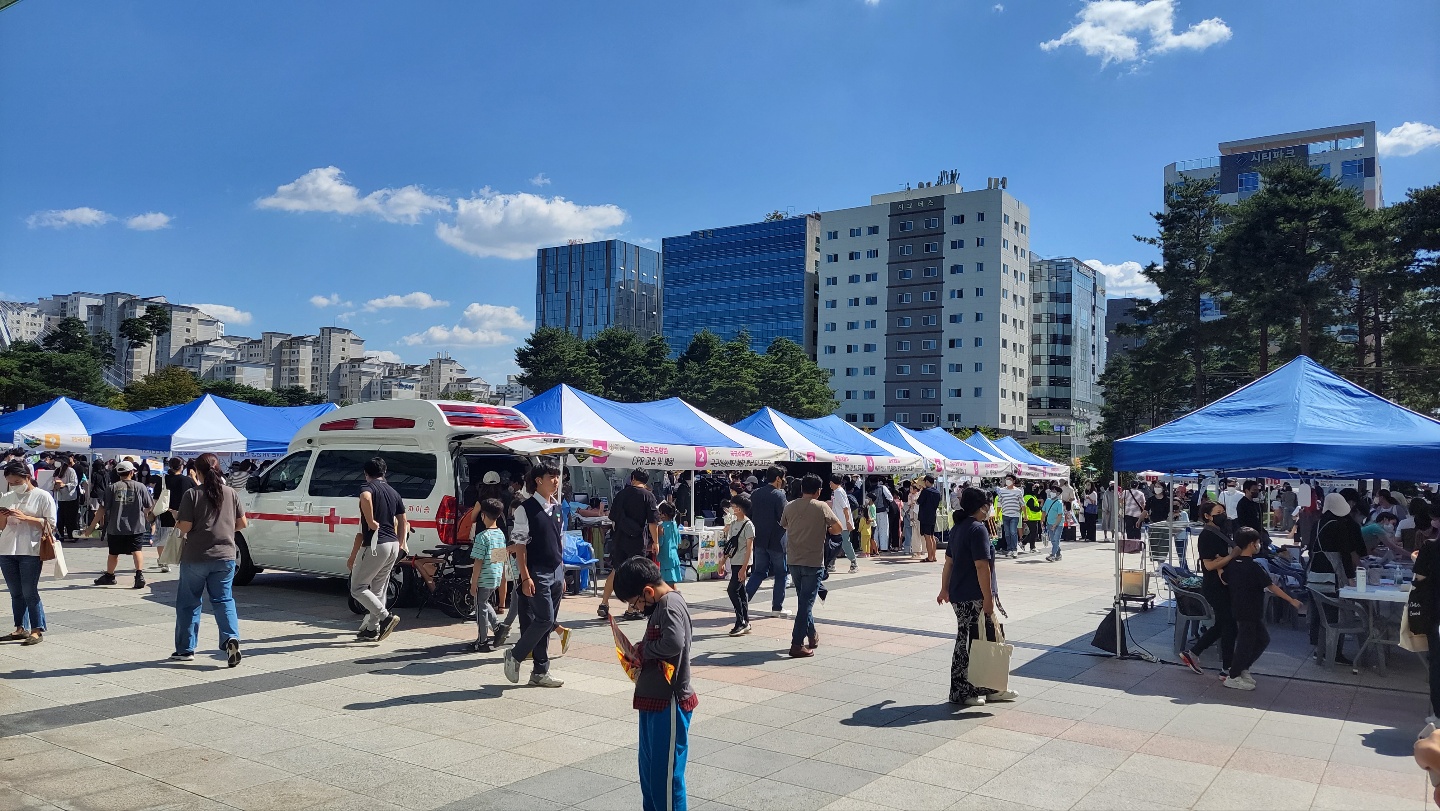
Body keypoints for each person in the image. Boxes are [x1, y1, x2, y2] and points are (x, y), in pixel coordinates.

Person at [613, 557, 697, 811]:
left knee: (666, 777)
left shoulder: (669, 605)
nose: (637, 608)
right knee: (650, 772)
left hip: (668, 700)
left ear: (648, 591)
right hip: (654, 699)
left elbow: (674, 643)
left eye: (636, 603)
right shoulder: (663, 603)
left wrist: (645, 649)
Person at [937, 486, 1017, 707]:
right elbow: (982, 567)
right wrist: (988, 598)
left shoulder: (958, 528)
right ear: (982, 506)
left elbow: (949, 563)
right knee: (969, 641)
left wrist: (944, 589)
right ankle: (961, 691)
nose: (990, 508)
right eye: (988, 504)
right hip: (973, 595)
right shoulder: (977, 529)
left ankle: (991, 686)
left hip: (960, 593)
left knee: (985, 638)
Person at [172, 453, 247, 666]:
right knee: (224, 600)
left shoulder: (192, 494)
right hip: (225, 556)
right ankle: (231, 637)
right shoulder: (231, 493)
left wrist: (177, 519)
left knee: (189, 602)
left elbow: (185, 527)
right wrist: (223, 530)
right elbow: (243, 523)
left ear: (197, 471)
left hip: (196, 555)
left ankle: (185, 649)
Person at [503, 461, 566, 688]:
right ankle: (516, 655)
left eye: (558, 477)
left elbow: (559, 540)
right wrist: (525, 576)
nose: (556, 481)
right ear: (539, 481)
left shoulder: (557, 508)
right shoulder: (526, 508)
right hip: (537, 571)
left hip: (556, 570)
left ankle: (540, 671)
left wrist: (562, 571)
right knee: (545, 619)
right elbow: (520, 545)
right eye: (552, 477)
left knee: (547, 622)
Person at [1221, 528, 1304, 691]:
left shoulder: (1232, 564)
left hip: (1241, 609)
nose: (1259, 545)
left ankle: (1243, 668)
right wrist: (1291, 600)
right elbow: (1271, 586)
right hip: (1250, 610)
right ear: (1252, 544)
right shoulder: (1254, 567)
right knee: (1245, 644)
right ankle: (1233, 676)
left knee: (1262, 639)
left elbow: (1224, 580)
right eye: (1258, 542)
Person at [345, 457, 408, 643]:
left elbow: (365, 497)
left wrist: (371, 521)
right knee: (378, 587)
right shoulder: (394, 492)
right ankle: (372, 629)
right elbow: (403, 520)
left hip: (375, 544)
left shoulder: (368, 488)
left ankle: (385, 617)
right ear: (384, 472)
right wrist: (402, 541)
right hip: (393, 545)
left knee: (357, 587)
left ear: (366, 474)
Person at [779, 474, 840, 658]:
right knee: (806, 603)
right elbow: (838, 528)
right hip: (813, 561)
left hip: (794, 560)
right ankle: (796, 644)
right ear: (818, 491)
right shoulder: (821, 506)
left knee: (804, 600)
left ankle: (812, 635)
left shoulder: (790, 506)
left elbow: (784, 526)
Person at [0, 459, 56, 646]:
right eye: (10, 482)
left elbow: (51, 524)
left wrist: (27, 518)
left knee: (29, 591)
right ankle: (20, 628)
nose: (14, 486)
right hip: (7, 548)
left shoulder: (42, 496)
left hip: (30, 549)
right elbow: (2, 527)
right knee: (15, 592)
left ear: (27, 477)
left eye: (17, 482)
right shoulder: (7, 496)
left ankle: (37, 630)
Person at [1179, 500, 1237, 676]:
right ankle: (1227, 668)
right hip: (1215, 586)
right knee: (1229, 625)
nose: (1223, 515)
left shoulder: (1221, 532)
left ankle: (1193, 653)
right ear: (1207, 516)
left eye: (1223, 511)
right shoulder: (1207, 536)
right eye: (1218, 512)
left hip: (1225, 584)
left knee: (1223, 624)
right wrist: (1230, 557)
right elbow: (1209, 565)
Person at [1308, 492, 1367, 664]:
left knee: (1319, 616)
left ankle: (1319, 650)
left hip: (1314, 573)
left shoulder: (1317, 524)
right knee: (1336, 614)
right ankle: (1335, 653)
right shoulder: (1339, 525)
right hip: (1332, 574)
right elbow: (1346, 554)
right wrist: (1350, 577)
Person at [600, 469, 661, 621]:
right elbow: (653, 522)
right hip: (637, 539)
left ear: (632, 478)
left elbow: (612, 517)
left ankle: (604, 603)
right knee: (635, 573)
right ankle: (632, 608)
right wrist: (656, 541)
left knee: (616, 569)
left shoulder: (621, 494)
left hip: (620, 538)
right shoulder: (649, 496)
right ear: (646, 481)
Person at [88, 460, 153, 590]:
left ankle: (110, 575)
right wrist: (151, 522)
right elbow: (149, 506)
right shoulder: (140, 487)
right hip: (136, 525)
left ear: (118, 473)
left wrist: (91, 526)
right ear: (132, 472)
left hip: (116, 526)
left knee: (113, 552)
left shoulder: (112, 488)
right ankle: (139, 575)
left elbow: (102, 508)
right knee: (137, 550)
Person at [745, 466, 791, 618]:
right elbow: (784, 519)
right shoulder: (780, 495)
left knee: (759, 571)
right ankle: (777, 607)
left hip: (759, 538)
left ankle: (744, 599)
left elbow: (750, 514)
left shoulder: (756, 493)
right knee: (781, 573)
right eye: (783, 477)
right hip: (777, 540)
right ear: (778, 478)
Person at [468, 498, 507, 652]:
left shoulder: (481, 537)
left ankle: (482, 640)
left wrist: (473, 582)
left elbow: (478, 562)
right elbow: (500, 558)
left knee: (480, 608)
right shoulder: (500, 534)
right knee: (484, 603)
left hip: (483, 577)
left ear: (483, 515)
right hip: (495, 576)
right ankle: (498, 627)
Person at [718, 493, 754, 636]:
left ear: (739, 508)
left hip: (743, 562)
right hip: (734, 561)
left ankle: (741, 621)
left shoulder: (748, 524)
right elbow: (730, 546)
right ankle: (745, 620)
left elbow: (749, 548)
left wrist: (744, 568)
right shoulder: (733, 524)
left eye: (733, 506)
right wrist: (722, 561)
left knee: (732, 590)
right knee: (740, 591)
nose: (731, 508)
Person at [153, 458, 193, 574]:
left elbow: (156, 498)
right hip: (183, 513)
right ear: (182, 466)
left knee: (162, 538)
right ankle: (182, 559)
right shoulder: (187, 481)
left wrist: (152, 512)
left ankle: (163, 561)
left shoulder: (162, 480)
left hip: (164, 511)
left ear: (169, 466)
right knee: (183, 537)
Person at [828, 475, 858, 573]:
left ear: (833, 482)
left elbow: (845, 508)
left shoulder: (838, 492)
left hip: (843, 523)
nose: (830, 485)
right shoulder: (838, 492)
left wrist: (848, 521)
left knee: (845, 543)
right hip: (838, 522)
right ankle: (831, 563)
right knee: (835, 543)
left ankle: (854, 563)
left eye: (830, 483)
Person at [49, 457, 79, 542]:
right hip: (59, 498)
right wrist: (54, 486)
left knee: (70, 518)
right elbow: (52, 481)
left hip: (69, 497)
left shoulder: (70, 471)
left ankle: (72, 535)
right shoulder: (56, 471)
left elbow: (74, 483)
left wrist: (64, 485)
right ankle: (60, 534)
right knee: (60, 518)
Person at [995, 475, 1024, 560]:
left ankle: (1014, 549)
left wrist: (1025, 515)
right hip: (1005, 514)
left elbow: (1022, 503)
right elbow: (999, 503)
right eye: (1007, 479)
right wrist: (997, 514)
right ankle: (1009, 549)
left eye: (1010, 479)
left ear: (1013, 481)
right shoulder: (1002, 491)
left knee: (1013, 532)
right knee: (1007, 533)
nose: (1008, 481)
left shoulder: (1018, 491)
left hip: (1015, 515)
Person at [657, 502, 683, 587]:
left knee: (666, 584)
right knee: (672, 583)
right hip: (674, 556)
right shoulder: (675, 525)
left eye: (660, 513)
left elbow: (660, 543)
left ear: (664, 514)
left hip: (665, 557)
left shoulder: (661, 527)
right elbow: (678, 541)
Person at [1042, 485, 1066, 562]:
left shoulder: (1059, 503)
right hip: (1049, 522)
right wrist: (1042, 521)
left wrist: (1055, 524)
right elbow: (1044, 511)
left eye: (1054, 491)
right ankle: (1058, 554)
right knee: (1053, 540)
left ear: (1058, 493)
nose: (1052, 492)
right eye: (1052, 490)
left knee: (1056, 539)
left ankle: (1052, 555)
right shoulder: (1047, 500)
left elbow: (1060, 515)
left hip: (1058, 524)